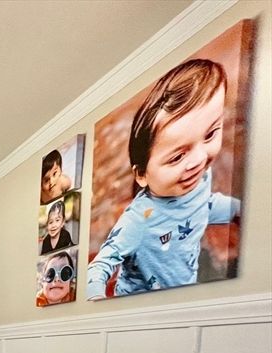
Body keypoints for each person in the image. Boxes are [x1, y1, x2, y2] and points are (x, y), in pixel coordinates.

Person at [87, 59, 241, 300]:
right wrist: (97, 300)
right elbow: (100, 265)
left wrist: (240, 210)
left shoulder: (198, 180)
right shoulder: (138, 220)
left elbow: (203, 206)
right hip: (140, 310)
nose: (198, 159)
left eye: (210, 134)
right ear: (141, 174)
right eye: (178, 156)